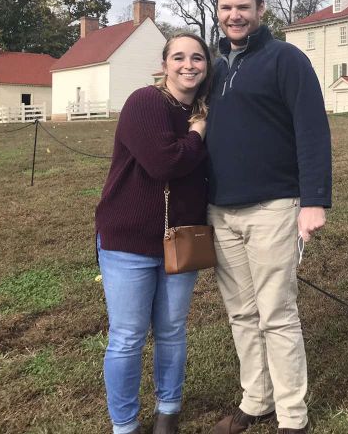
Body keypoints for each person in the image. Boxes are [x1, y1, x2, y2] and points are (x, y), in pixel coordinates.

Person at [206, 0, 332, 434]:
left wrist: (314, 200)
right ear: (217, 12)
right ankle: (255, 400)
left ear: (260, 9)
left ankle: (292, 417)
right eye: (226, 7)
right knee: (241, 313)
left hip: (274, 207)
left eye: (243, 6)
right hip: (220, 210)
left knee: (277, 314)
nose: (234, 15)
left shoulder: (286, 60)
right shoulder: (215, 67)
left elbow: (312, 131)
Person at [95, 33, 212, 434]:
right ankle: (125, 424)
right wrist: (197, 133)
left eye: (198, 58)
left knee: (172, 330)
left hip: (181, 237)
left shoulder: (202, 109)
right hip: (129, 239)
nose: (188, 64)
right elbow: (165, 162)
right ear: (164, 64)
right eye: (178, 57)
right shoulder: (145, 101)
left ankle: (168, 411)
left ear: (207, 67)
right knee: (127, 336)